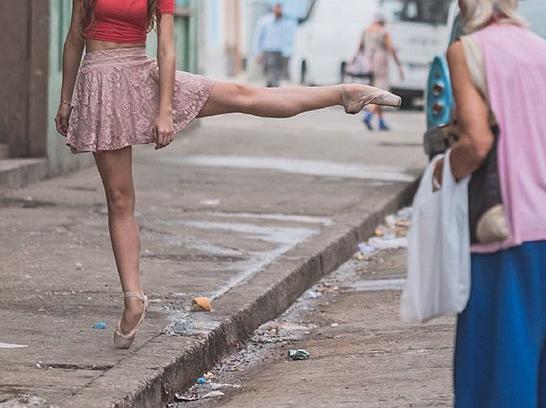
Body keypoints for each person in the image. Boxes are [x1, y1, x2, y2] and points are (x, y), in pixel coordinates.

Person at [54, 0, 400, 350]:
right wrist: (66, 101)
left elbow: (167, 47)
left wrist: (165, 111)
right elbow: (73, 39)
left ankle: (344, 93)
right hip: (99, 84)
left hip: (142, 75)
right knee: (119, 199)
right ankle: (134, 298)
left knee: (242, 94)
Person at [433, 0, 546, 406]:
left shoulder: (466, 50)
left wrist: (440, 173)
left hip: (506, 233)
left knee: (497, 384)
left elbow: (476, 141)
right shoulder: (542, 49)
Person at [358, 13, 404, 131]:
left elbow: (360, 47)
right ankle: (368, 114)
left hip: (368, 62)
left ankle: (381, 122)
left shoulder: (366, 30)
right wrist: (399, 66)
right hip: (380, 62)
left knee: (373, 90)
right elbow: (391, 49)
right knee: (381, 92)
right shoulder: (383, 32)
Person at [252, 3, 296, 87]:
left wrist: (289, 52)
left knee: (277, 74)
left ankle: (272, 89)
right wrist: (257, 53)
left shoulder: (286, 23)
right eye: (276, 8)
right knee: (271, 73)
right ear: (273, 9)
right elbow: (257, 38)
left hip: (280, 52)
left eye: (280, 9)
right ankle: (271, 88)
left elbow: (288, 38)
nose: (278, 11)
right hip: (268, 52)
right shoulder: (265, 22)